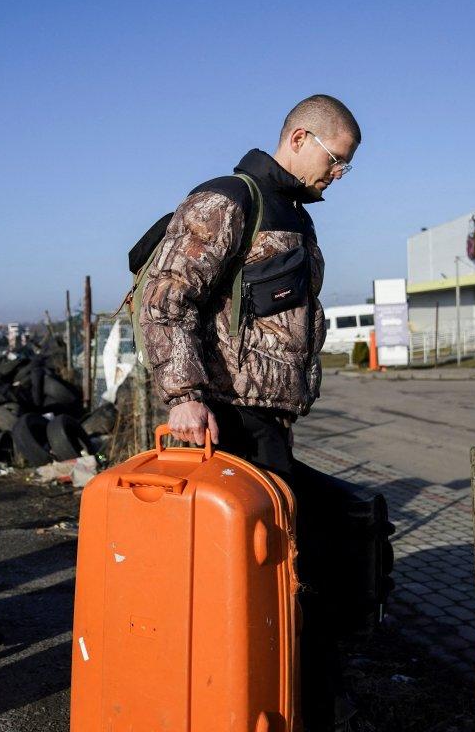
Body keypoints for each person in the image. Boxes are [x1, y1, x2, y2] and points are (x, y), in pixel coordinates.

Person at [139, 95, 359, 730]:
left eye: (347, 167)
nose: (337, 176)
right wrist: (184, 397)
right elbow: (166, 300)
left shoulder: (293, 214)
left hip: (268, 422)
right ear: (299, 136)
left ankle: (283, 699)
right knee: (264, 573)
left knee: (302, 563)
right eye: (335, 160)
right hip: (223, 421)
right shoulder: (229, 200)